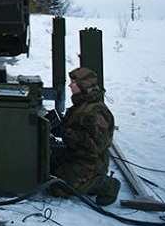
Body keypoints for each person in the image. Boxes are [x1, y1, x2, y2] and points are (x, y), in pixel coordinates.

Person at [50, 67, 120, 205]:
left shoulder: (95, 112)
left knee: (58, 188)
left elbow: (98, 145)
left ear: (84, 85)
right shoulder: (82, 104)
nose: (70, 85)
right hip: (74, 155)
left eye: (74, 83)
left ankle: (105, 185)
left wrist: (67, 133)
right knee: (45, 170)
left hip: (90, 162)